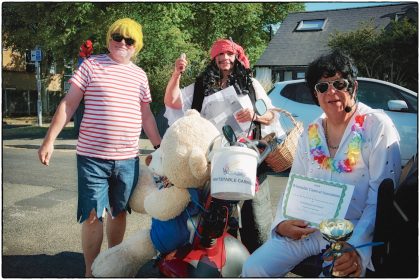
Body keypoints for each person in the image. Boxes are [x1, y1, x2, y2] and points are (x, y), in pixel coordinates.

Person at [242, 50, 401, 277]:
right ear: (315, 95)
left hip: (354, 231)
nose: (332, 92)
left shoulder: (377, 126)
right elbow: (296, 184)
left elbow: (380, 198)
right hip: (312, 228)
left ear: (353, 87)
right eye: (322, 87)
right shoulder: (312, 130)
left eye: (339, 83)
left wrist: (355, 246)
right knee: (254, 267)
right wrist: (282, 224)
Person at [37, 18, 161, 277]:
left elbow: (146, 115)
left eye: (129, 40)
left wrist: (158, 146)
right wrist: (49, 140)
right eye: (117, 37)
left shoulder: (140, 75)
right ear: (109, 39)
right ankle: (90, 272)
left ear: (137, 45)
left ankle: (112, 266)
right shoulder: (91, 66)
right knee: (93, 215)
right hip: (92, 157)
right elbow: (68, 105)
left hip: (128, 158)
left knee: (118, 213)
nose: (122, 43)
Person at [164, 38, 285, 253]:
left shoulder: (251, 84)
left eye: (229, 54)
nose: (224, 58)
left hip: (249, 157)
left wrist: (256, 115)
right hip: (216, 157)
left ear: (236, 57)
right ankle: (223, 257)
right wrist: (176, 74)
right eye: (220, 54)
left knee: (255, 214)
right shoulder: (203, 84)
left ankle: (257, 261)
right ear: (213, 58)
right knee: (218, 213)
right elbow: (173, 102)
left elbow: (271, 114)